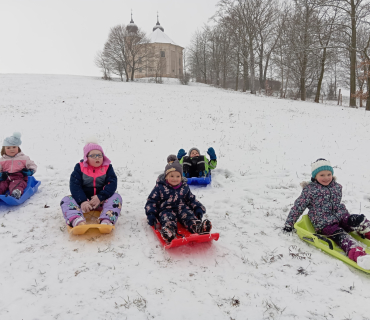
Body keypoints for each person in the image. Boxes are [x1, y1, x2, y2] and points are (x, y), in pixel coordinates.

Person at [283, 158, 370, 269]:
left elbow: (337, 204)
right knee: (342, 236)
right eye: (322, 175)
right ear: (315, 176)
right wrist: (289, 224)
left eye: (329, 174)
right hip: (324, 223)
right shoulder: (310, 190)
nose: (326, 178)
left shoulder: (336, 187)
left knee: (359, 220)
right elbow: (298, 207)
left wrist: (347, 218)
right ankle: (360, 256)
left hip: (341, 215)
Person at [145, 155, 212, 242]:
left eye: (177, 176)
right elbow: (151, 201)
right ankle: (169, 232)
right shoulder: (160, 187)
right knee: (168, 219)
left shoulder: (184, 187)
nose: (175, 179)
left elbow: (191, 199)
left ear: (181, 177)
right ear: (166, 177)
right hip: (166, 209)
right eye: (171, 176)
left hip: (182, 208)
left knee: (189, 215)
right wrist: (151, 214)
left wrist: (198, 208)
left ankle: (198, 227)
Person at [60, 141, 122, 228]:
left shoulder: (107, 168)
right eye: (93, 155)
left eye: (99, 155)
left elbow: (112, 184)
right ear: (86, 158)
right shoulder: (80, 168)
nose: (97, 158)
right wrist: (82, 201)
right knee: (66, 200)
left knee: (116, 197)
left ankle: (107, 219)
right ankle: (76, 219)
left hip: (102, 201)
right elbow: (75, 186)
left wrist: (100, 197)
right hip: (84, 203)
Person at [0, 132, 37, 199]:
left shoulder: (23, 158)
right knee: (1, 185)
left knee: (17, 184)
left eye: (14, 147)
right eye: (8, 148)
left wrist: (30, 171)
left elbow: (32, 165)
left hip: (19, 177)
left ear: (18, 148)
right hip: (5, 178)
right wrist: (1, 176)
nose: (11, 149)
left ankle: (16, 193)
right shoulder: (2, 160)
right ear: (4, 149)